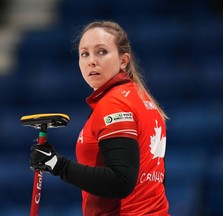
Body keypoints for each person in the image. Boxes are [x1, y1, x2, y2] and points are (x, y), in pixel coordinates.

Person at [30, 20, 170, 215]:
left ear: (123, 60)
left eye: (101, 51)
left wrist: (56, 164)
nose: (91, 61)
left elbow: (121, 181)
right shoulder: (144, 100)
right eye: (84, 54)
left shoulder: (114, 104)